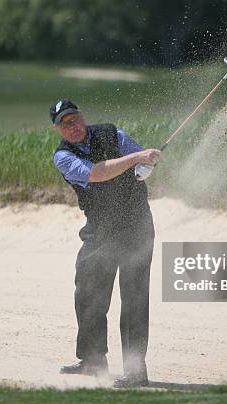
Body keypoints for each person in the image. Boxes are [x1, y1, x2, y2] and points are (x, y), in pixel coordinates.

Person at [51, 99, 161, 387]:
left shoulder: (112, 133)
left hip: (136, 223)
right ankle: (92, 360)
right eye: (65, 123)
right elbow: (98, 173)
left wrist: (146, 163)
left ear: (82, 117)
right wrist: (136, 159)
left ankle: (136, 372)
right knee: (88, 288)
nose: (72, 125)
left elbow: (140, 156)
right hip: (100, 229)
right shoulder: (63, 156)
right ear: (58, 129)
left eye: (74, 118)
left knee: (134, 296)